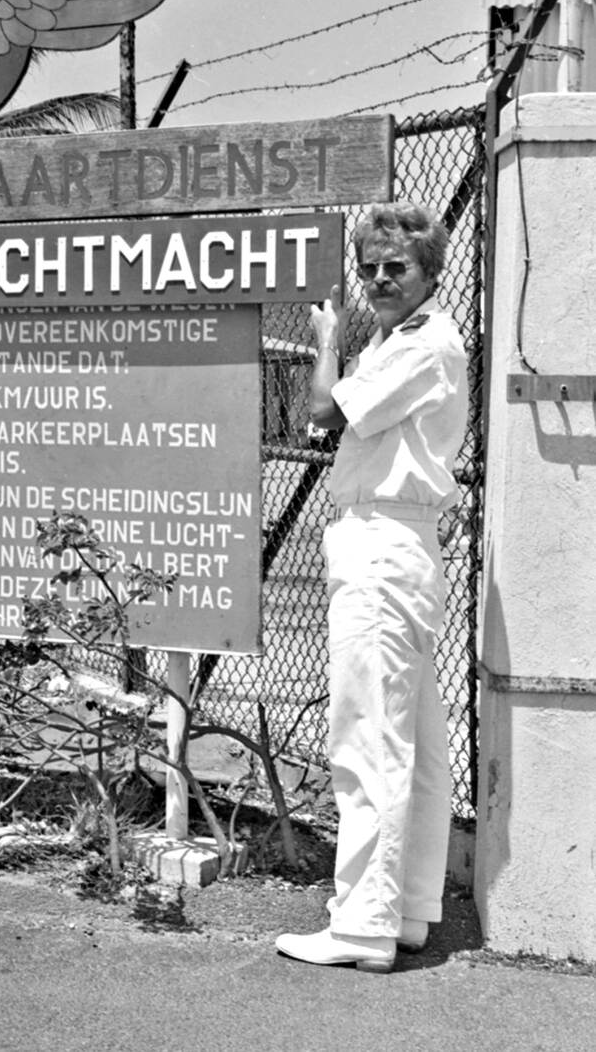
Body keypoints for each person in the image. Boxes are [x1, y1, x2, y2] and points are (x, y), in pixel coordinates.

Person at [276, 201, 468, 973]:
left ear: (430, 271)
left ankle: (361, 924)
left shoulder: (424, 342)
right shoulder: (398, 341)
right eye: (370, 269)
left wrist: (326, 340)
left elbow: (324, 409)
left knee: (368, 737)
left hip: (384, 541)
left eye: (398, 267)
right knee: (411, 742)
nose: (381, 280)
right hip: (392, 539)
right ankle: (407, 909)